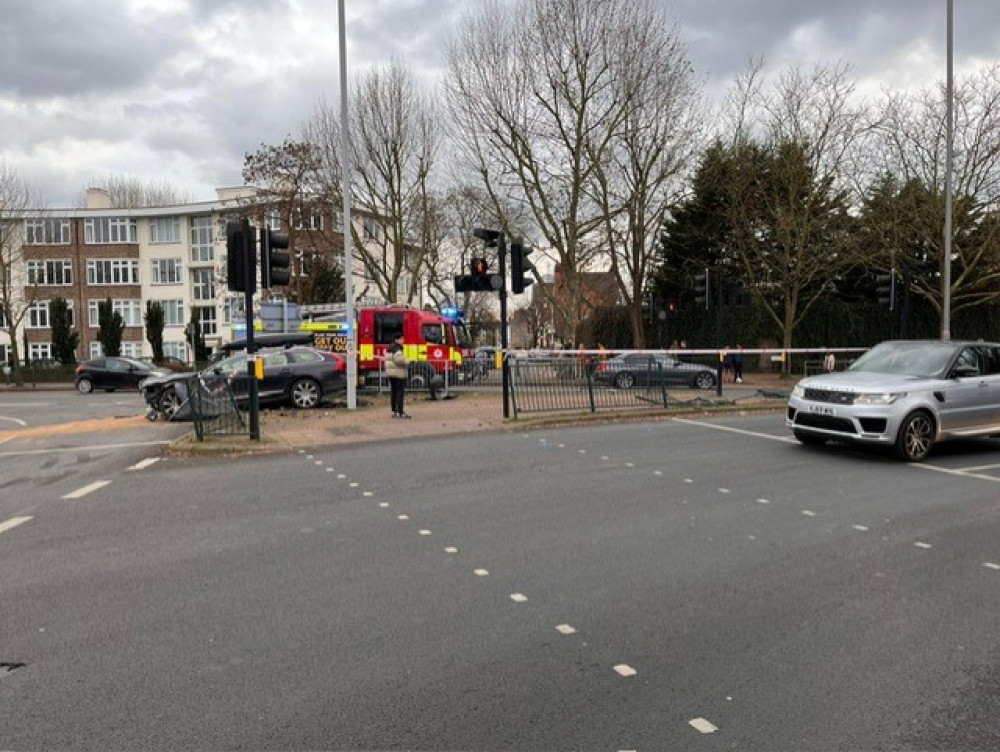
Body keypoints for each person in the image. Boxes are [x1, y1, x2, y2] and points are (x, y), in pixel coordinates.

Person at [385, 333, 410, 418]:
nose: (403, 341)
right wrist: (407, 361)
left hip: (391, 373)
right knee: (400, 393)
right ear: (397, 340)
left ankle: (394, 411)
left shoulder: (390, 347)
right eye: (401, 339)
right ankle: (401, 412)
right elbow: (399, 360)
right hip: (398, 373)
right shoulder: (397, 348)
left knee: (394, 392)